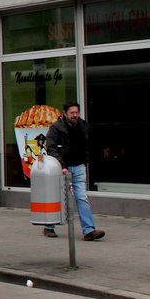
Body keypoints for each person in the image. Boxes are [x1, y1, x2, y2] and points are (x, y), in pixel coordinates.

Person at [41, 102, 104, 241]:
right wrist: (61, 166)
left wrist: (84, 161)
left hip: (79, 167)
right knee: (57, 197)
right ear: (65, 113)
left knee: (82, 197)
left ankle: (89, 230)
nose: (75, 115)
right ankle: (49, 226)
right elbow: (51, 148)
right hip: (62, 168)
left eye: (77, 112)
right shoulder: (56, 127)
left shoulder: (83, 126)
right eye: (72, 113)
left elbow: (88, 145)